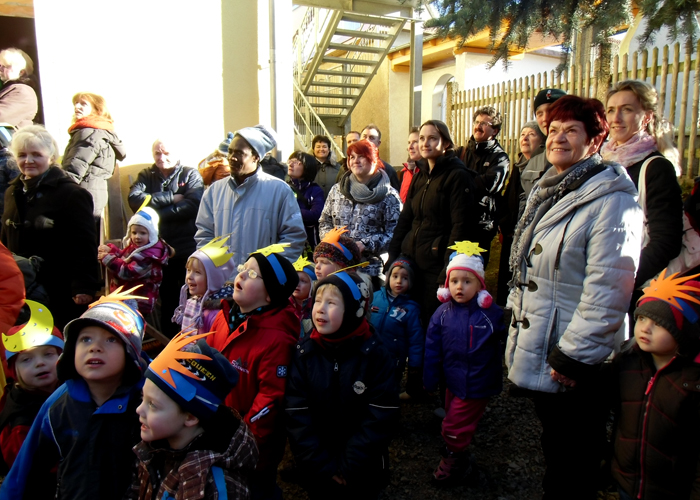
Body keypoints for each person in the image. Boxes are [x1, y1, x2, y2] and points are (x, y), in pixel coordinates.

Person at [505, 95, 643, 500]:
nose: (558, 138)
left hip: (575, 356)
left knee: (576, 455)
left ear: (594, 140)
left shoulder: (611, 199)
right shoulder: (548, 189)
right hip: (546, 343)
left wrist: (575, 355)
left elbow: (609, 288)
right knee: (556, 445)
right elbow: (526, 270)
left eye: (571, 130)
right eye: (553, 130)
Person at [0, 291, 148, 500]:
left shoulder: (147, 401)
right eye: (85, 339)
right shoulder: (59, 404)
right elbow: (23, 472)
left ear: (131, 352)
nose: (95, 347)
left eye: (111, 340)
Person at [285, 271, 399, 500]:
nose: (320, 308)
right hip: (318, 468)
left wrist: (351, 465)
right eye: (317, 300)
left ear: (353, 310)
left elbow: (381, 415)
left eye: (331, 303)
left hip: (363, 470)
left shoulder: (375, 355)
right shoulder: (304, 352)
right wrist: (321, 465)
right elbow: (296, 412)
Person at [208, 245, 299, 499]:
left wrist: (242, 442)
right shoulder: (225, 317)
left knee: (256, 491)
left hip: (253, 450)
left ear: (270, 295)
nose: (242, 275)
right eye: (243, 269)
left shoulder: (277, 339)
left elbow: (270, 398)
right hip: (215, 433)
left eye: (252, 274)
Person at [128, 332, 258, 499]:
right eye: (142, 398)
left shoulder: (216, 488)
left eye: (152, 404)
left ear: (190, 417)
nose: (139, 409)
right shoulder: (152, 450)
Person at [608, 270, 700, 500]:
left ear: (683, 333)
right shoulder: (626, 364)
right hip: (626, 483)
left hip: (672, 491)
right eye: (641, 318)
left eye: (658, 323)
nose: (644, 329)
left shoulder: (693, 381)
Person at [1, 125, 100, 329]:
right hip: (19, 288)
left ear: (51, 156)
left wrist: (83, 285)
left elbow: (85, 244)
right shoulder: (12, 192)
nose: (28, 161)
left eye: (36, 154)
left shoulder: (72, 194)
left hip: (58, 288)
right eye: (22, 155)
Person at [423, 244, 504, 484]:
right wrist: (429, 378)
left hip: (478, 383)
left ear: (480, 285)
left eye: (467, 281)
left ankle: (452, 460)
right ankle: (460, 454)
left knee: (453, 426)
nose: (460, 287)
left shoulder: (491, 315)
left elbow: (504, 340)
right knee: (454, 418)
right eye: (455, 281)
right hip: (453, 381)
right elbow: (432, 349)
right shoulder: (442, 314)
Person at [388, 120, 477, 326]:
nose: (425, 143)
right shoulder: (420, 175)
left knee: (431, 322)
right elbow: (406, 218)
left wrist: (446, 270)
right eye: (421, 138)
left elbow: (461, 227)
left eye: (432, 138)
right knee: (409, 321)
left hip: (435, 266)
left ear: (445, 143)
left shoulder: (457, 176)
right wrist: (393, 255)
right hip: (412, 260)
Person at [602, 79, 683, 292]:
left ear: (646, 117)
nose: (616, 118)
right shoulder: (601, 161)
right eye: (610, 110)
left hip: (632, 287)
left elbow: (665, 242)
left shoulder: (656, 168)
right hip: (599, 276)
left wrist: (623, 284)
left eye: (626, 110)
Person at [195, 124, 306, 270]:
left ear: (256, 157)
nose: (232, 158)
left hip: (260, 285)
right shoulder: (214, 191)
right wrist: (215, 269)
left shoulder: (279, 191)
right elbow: (205, 235)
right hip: (221, 284)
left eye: (240, 153)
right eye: (230, 152)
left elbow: (293, 238)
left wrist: (264, 269)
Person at [128, 139, 204, 337]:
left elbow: (192, 206)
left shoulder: (190, 174)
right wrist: (171, 197)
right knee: (168, 299)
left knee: (191, 296)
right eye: (157, 153)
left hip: (187, 246)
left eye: (166, 153)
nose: (161, 158)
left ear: (177, 154)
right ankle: (169, 342)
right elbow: (135, 200)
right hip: (158, 250)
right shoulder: (147, 174)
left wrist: (153, 212)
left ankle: (191, 338)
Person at [319, 139, 401, 290]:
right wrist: (329, 238)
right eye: (352, 157)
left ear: (374, 159)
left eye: (361, 156)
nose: (355, 160)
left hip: (370, 271)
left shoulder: (389, 196)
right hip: (336, 267)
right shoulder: (337, 190)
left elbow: (395, 234)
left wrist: (365, 244)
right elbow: (324, 221)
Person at [0, 301, 63, 472]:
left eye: (48, 354)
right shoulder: (20, 422)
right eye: (27, 360)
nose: (40, 363)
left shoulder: (72, 389)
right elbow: (24, 470)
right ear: (14, 372)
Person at [496, 121, 546, 306]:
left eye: (531, 134)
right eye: (522, 134)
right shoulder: (518, 166)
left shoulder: (543, 168)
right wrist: (504, 221)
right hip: (511, 232)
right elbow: (509, 197)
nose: (524, 138)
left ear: (542, 140)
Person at [455, 106, 509, 265]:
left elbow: (489, 185)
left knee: (473, 270)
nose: (478, 126)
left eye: (485, 124)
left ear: (495, 131)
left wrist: (463, 178)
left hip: (481, 226)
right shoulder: (461, 152)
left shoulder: (500, 158)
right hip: (458, 220)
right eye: (477, 122)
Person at [61, 92, 127, 224]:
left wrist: (56, 193)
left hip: (82, 195)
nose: (77, 107)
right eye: (75, 103)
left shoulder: (89, 132)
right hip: (93, 195)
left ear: (97, 109)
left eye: (83, 104)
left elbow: (74, 169)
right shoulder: (101, 131)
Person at [98, 206, 171, 316]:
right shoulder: (137, 247)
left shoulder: (149, 256)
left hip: (139, 301)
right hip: (128, 297)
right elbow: (125, 257)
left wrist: (108, 258)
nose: (137, 237)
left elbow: (127, 272)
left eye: (142, 233)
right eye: (134, 233)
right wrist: (112, 250)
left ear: (151, 234)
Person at [370, 257, 423, 399]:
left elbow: (415, 340)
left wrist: (414, 365)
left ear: (411, 281)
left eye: (405, 278)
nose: (399, 281)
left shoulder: (411, 309)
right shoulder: (374, 298)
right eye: (395, 276)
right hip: (370, 353)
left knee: (388, 390)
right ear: (388, 277)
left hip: (394, 360)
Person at [172, 235, 235, 334]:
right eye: (188, 270)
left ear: (214, 278)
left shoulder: (218, 312)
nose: (189, 276)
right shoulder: (191, 303)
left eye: (197, 272)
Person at [519, 88, 567, 211]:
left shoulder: (577, 152)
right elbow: (525, 197)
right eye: (539, 113)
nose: (545, 118)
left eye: (551, 110)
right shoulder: (535, 157)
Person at [287, 151, 324, 252]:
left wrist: (291, 212)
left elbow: (316, 215)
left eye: (297, 162)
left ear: (308, 167)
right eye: (290, 161)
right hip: (287, 240)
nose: (291, 164)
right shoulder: (283, 187)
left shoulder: (315, 190)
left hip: (309, 243)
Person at [0, 48, 37, 129]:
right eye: (0, 65)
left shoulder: (22, 92)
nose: (1, 69)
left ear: (21, 72)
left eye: (6, 66)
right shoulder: (9, 88)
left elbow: (2, 117)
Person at [360, 124, 400, 190]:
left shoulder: (388, 170)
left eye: (371, 138)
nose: (367, 140)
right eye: (364, 137)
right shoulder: (351, 166)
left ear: (378, 143)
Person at [290, 255, 316, 337]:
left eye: (303, 281)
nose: (297, 284)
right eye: (295, 279)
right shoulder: (284, 305)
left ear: (313, 285)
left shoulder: (316, 307)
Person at [398, 127, 422, 203]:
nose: (410, 147)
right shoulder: (404, 172)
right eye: (409, 142)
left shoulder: (427, 173)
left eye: (415, 142)